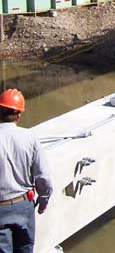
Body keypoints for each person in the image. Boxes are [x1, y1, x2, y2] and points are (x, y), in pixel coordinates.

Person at [0, 88, 52, 253]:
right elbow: (43, 176)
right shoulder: (29, 137)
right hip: (24, 205)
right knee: (25, 249)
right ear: (19, 115)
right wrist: (44, 199)